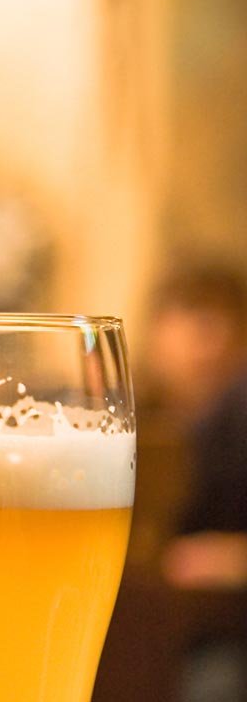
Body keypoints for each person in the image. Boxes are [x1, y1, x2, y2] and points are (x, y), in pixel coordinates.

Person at [144, 265, 247, 702]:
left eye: (229, 317)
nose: (214, 335)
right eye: (195, 313)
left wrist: (236, 556)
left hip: (218, 633)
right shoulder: (116, 417)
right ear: (155, 330)